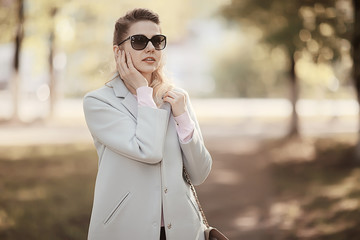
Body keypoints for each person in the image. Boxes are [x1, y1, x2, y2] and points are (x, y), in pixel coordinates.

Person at [83, 8, 212, 240]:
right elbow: (149, 151)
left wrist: (182, 117)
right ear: (118, 51)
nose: (151, 47)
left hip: (183, 231)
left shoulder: (177, 98)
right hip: (126, 230)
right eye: (139, 41)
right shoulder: (99, 102)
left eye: (157, 40)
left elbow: (200, 173)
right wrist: (144, 91)